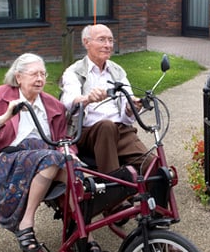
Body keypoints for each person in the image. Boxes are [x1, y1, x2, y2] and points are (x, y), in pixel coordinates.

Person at [0, 53, 107, 252]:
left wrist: (70, 154)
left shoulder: (52, 105)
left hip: (46, 156)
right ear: (19, 78)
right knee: (51, 159)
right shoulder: (0, 95)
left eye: (43, 74)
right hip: (9, 157)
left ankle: (84, 233)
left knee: (77, 174)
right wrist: (6, 116)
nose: (40, 79)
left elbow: (63, 139)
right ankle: (26, 222)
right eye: (34, 74)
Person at [60, 24, 154, 177]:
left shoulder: (117, 71)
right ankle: (114, 193)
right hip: (89, 133)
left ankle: (155, 201)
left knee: (154, 167)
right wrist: (88, 99)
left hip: (121, 131)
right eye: (102, 40)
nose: (108, 45)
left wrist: (133, 106)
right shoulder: (74, 72)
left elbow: (127, 102)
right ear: (86, 42)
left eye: (110, 40)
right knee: (106, 126)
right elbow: (69, 103)